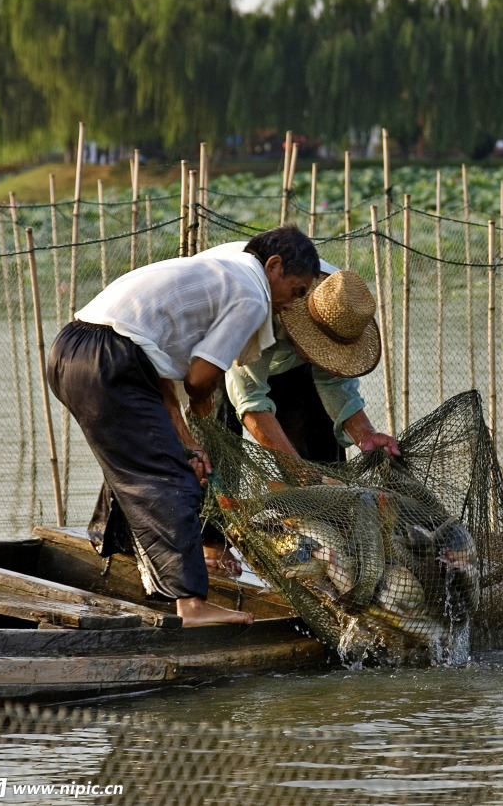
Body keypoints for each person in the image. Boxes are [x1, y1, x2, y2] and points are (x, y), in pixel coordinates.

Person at [46, 225, 319, 627]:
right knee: (173, 479)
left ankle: (115, 547)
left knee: (140, 462)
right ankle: (191, 604)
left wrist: (188, 441)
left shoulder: (218, 269)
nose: (290, 306)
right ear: (274, 267)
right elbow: (199, 378)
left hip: (70, 351)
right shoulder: (251, 293)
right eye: (296, 292)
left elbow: (158, 375)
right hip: (110, 358)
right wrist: (203, 408)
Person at [220, 254, 400, 463]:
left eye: (328, 348)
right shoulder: (258, 308)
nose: (321, 352)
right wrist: (295, 466)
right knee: (219, 445)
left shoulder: (342, 299)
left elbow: (335, 382)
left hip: (288, 364)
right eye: (317, 344)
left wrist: (366, 435)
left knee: (321, 455)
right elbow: (251, 399)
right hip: (220, 350)